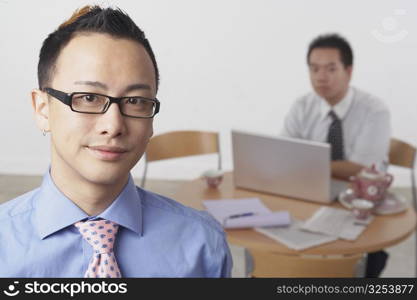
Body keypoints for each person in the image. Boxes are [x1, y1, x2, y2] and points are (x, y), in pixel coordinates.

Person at [0, 5, 232, 278]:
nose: (113, 126)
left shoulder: (203, 245)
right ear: (42, 109)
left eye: (134, 101)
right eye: (88, 98)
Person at [281, 33, 391, 277]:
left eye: (331, 68)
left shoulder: (374, 110)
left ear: (349, 71)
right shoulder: (302, 106)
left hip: (362, 203)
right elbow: (286, 156)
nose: (321, 76)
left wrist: (309, 162)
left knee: (358, 264)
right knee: (281, 249)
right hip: (310, 197)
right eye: (314, 68)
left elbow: (362, 167)